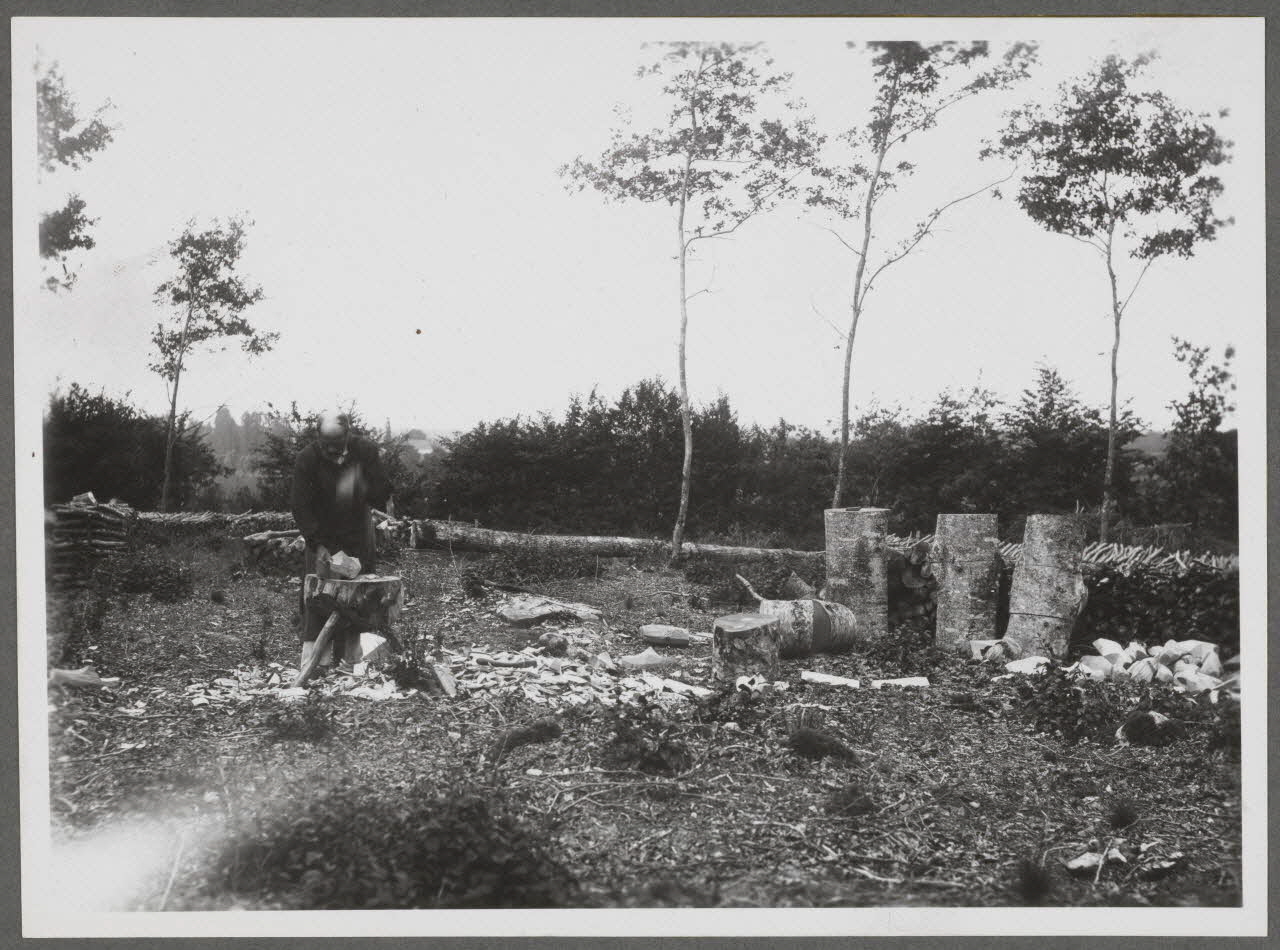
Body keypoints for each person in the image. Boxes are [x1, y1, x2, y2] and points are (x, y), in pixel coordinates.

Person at [291, 411, 393, 664]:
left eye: (336, 443)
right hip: (321, 531)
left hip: (357, 531)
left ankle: (352, 660)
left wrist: (361, 485)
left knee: (359, 594)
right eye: (325, 443)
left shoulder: (365, 451)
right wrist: (317, 544)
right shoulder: (307, 458)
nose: (330, 449)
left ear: (347, 434)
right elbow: (300, 506)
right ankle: (316, 661)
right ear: (318, 436)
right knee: (319, 593)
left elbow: (382, 492)